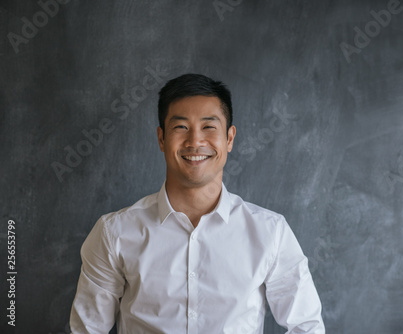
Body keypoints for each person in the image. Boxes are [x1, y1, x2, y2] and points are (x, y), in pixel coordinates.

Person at [70, 74, 325, 333]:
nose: (195, 141)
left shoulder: (270, 232)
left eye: (209, 127)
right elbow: (87, 330)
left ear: (229, 138)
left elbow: (307, 326)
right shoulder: (114, 232)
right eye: (181, 127)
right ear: (161, 139)